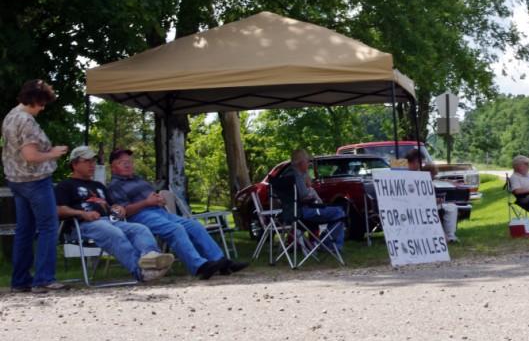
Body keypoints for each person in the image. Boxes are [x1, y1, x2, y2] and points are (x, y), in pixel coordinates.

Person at [107, 149, 248, 279]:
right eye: (123, 162)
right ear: (112, 167)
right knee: (175, 229)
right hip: (140, 216)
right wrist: (147, 203)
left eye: (130, 162)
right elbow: (124, 212)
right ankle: (199, 267)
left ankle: (221, 263)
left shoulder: (138, 179)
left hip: (159, 211)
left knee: (194, 225)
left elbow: (151, 197)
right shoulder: (115, 186)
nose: (128, 165)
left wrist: (159, 200)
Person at [55, 146, 175, 282]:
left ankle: (152, 259)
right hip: (83, 226)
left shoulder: (98, 186)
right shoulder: (65, 186)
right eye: (87, 161)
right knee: (113, 232)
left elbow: (112, 206)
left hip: (109, 221)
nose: (92, 165)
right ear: (75, 164)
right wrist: (82, 213)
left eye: (93, 161)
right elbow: (58, 210)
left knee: (139, 229)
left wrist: (119, 209)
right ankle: (142, 272)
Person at [2, 80, 68, 293]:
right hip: (35, 181)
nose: (42, 108)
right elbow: (30, 156)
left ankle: (20, 280)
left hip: (16, 180)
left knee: (24, 231)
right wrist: (53, 153)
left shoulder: (10, 116)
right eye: (41, 103)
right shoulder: (27, 121)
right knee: (48, 227)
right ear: (34, 101)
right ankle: (44, 278)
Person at [277, 149, 346, 251]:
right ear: (301, 162)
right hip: (303, 213)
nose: (309, 164)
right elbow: (304, 195)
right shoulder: (296, 176)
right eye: (307, 161)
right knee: (339, 212)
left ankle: (322, 243)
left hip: (290, 214)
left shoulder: (286, 175)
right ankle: (327, 245)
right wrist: (310, 190)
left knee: (335, 211)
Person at [406, 148, 459, 243]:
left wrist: (435, 199)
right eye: (420, 162)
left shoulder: (419, 174)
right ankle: (445, 237)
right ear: (416, 161)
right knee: (438, 208)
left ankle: (449, 236)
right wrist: (434, 200)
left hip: (425, 203)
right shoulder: (409, 175)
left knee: (451, 207)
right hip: (416, 206)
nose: (421, 165)